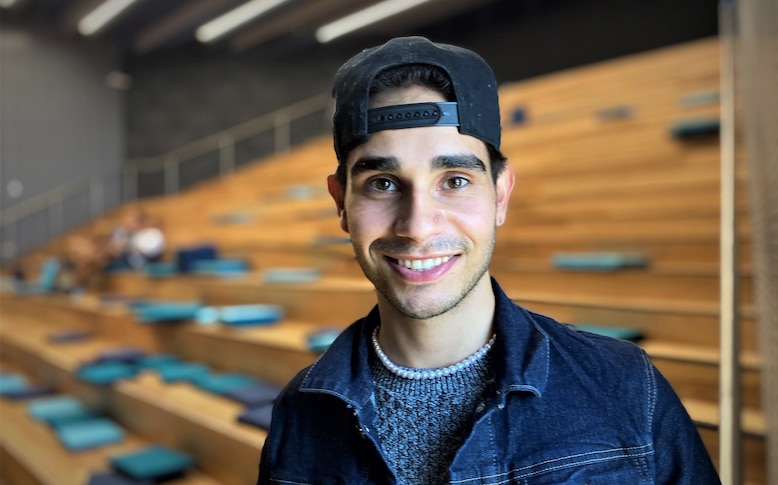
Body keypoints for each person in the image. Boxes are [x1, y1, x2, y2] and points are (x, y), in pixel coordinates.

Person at [258, 36, 720, 484]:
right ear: (340, 203)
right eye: (382, 183)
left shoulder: (626, 387)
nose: (417, 226)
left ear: (500, 195)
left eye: (455, 180)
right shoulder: (301, 412)